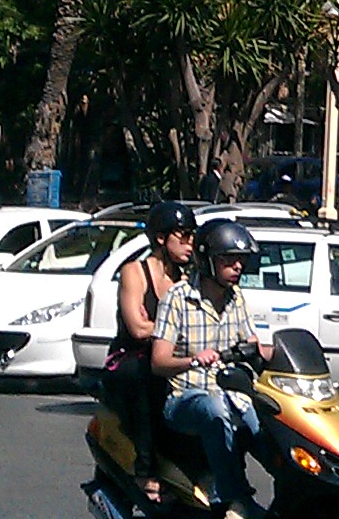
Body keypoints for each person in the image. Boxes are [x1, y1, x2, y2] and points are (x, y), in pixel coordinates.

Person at [153, 218, 274, 519]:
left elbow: (252, 344)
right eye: (229, 260)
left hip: (233, 393)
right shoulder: (178, 300)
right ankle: (232, 500)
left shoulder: (237, 299)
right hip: (185, 398)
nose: (238, 267)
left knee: (266, 421)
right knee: (216, 408)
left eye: (241, 261)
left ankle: (294, 492)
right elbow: (159, 362)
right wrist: (193, 360)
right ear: (207, 261)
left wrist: (278, 352)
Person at [109, 200, 197, 503]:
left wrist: (160, 328)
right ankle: (145, 470)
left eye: (192, 236)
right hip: (128, 358)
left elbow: (191, 329)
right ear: (161, 238)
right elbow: (136, 328)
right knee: (148, 379)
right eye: (183, 236)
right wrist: (171, 329)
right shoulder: (134, 272)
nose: (190, 244)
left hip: (162, 355)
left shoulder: (185, 281)